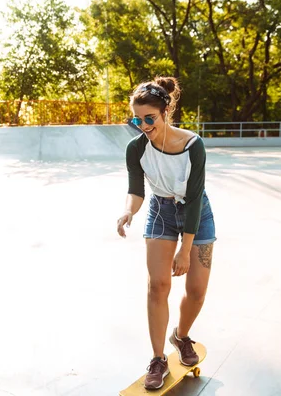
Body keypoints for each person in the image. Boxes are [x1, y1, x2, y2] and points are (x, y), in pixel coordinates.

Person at [116, 77, 216, 390]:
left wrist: (185, 250)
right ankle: (158, 358)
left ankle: (181, 336)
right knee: (158, 285)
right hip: (160, 212)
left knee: (197, 290)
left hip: (196, 213)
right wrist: (129, 210)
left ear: (166, 111)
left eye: (150, 118)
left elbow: (196, 197)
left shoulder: (192, 145)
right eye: (137, 119)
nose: (143, 125)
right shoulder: (136, 149)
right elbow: (136, 189)